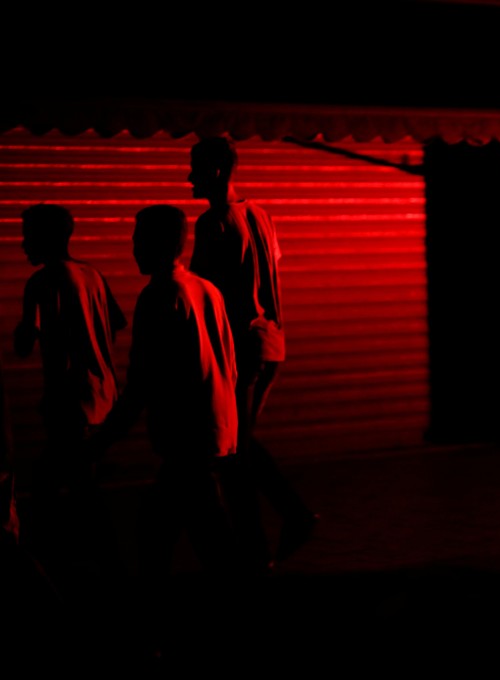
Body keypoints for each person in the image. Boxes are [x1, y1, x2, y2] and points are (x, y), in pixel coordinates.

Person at [85, 204, 243, 653]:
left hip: (186, 436)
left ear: (159, 243)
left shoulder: (159, 296)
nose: (133, 247)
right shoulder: (206, 289)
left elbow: (142, 381)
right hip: (213, 430)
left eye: (139, 239)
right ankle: (216, 617)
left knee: (162, 532)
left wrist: (103, 439)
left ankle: (154, 628)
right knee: (193, 528)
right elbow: (228, 363)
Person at [188, 136, 318, 569]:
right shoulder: (261, 214)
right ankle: (281, 526)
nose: (189, 177)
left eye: (195, 168)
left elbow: (201, 289)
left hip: (240, 345)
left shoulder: (214, 223)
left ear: (216, 170)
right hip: (271, 341)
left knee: (234, 449)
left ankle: (273, 534)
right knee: (241, 441)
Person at [13, 203, 127, 578]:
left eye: (28, 236)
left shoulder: (43, 282)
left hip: (70, 399)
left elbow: (24, 344)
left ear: (45, 238)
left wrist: (26, 332)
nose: (23, 244)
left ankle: (81, 563)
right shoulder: (91, 273)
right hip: (102, 394)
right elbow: (116, 322)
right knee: (76, 479)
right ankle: (91, 559)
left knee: (62, 483)